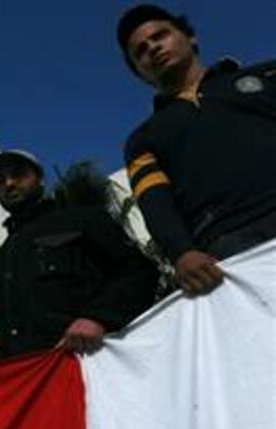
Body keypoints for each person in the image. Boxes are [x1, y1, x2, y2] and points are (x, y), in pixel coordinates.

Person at [0, 150, 158, 358]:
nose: (9, 184)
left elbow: (139, 272)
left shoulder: (82, 219)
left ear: (40, 179)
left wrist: (97, 318)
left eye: (18, 174)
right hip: (29, 382)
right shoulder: (0, 263)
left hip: (90, 364)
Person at [117, 4, 276, 295]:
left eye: (160, 36)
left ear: (190, 37)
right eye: (140, 51)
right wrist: (181, 253)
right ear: (139, 72)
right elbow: (156, 203)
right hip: (228, 251)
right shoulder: (142, 140)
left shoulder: (266, 75)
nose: (152, 48)